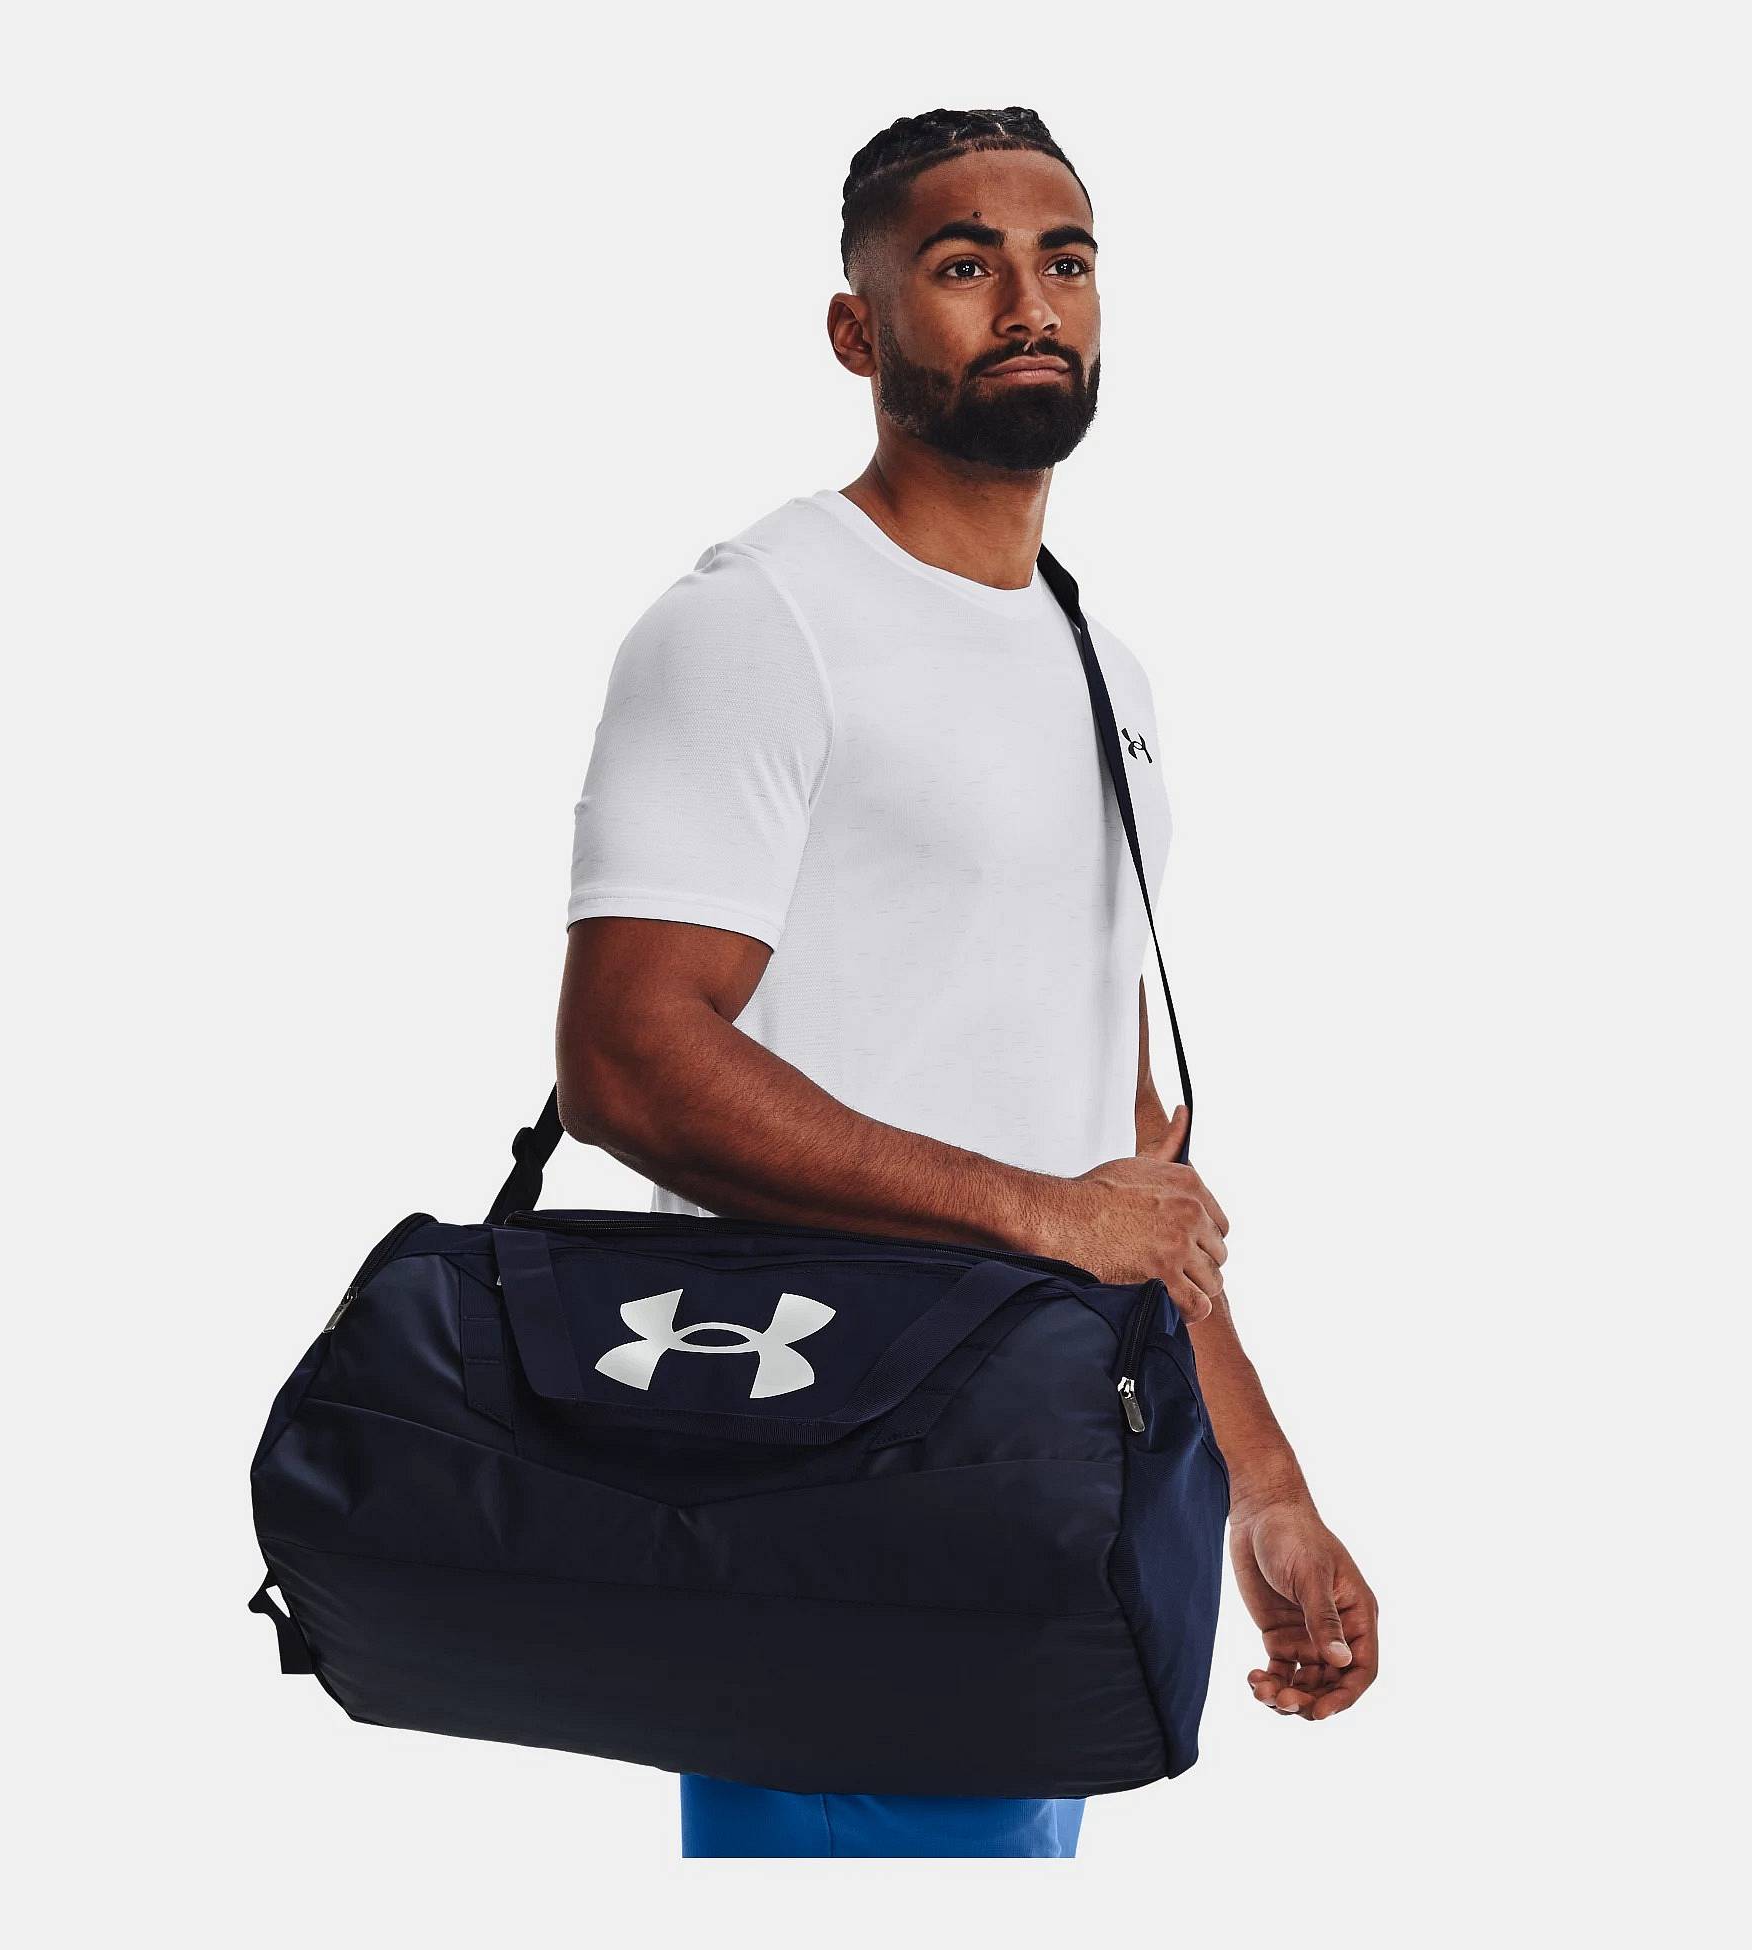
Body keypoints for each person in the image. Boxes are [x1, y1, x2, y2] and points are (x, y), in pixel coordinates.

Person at [556, 106, 1379, 1860]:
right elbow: (627, 1055)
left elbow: (1129, 1162)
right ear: (854, 331)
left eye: (1064, 261)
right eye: (962, 264)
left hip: (1043, 1487)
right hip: (818, 1475)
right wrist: (1043, 1215)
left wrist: (1265, 1486)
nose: (1029, 301)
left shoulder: (1102, 662)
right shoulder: (761, 619)